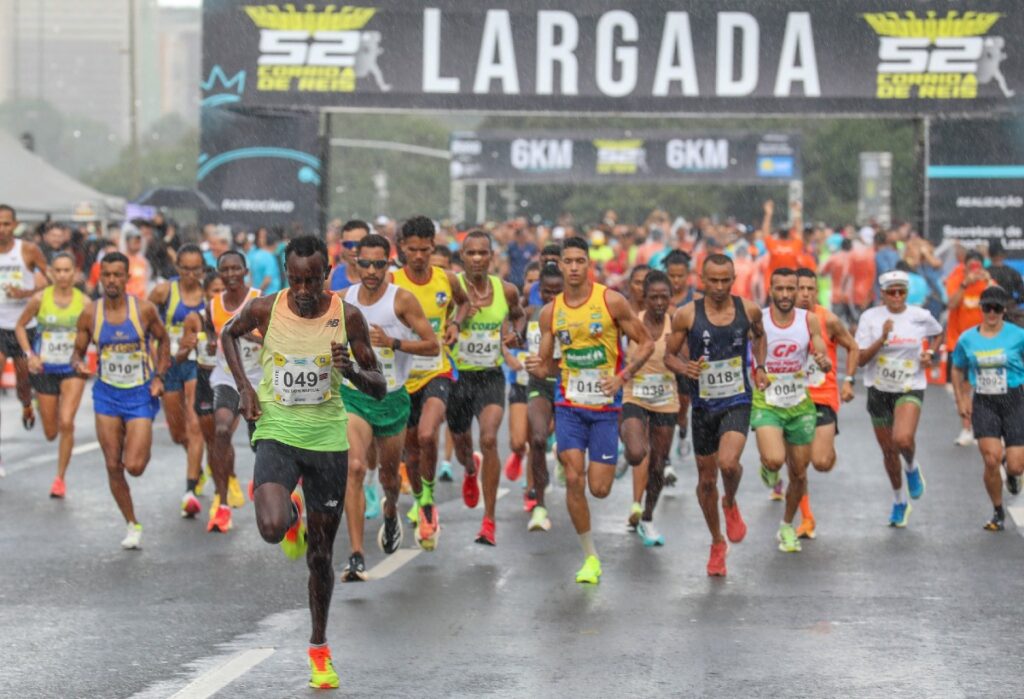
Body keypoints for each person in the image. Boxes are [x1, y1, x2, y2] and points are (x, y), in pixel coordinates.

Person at [223, 235, 386, 690]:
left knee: (319, 557)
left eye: (311, 280)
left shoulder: (348, 317)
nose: (303, 289)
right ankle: (289, 512)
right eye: (295, 279)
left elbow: (378, 384)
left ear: (326, 274)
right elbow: (227, 335)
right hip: (277, 431)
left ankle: (319, 647)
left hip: (328, 442)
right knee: (272, 527)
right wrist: (245, 388)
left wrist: (351, 369)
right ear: (286, 275)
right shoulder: (266, 308)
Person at [528, 236, 653, 584]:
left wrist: (622, 377)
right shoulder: (550, 313)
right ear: (560, 266)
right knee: (572, 477)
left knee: (599, 489)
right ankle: (590, 558)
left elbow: (646, 342)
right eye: (567, 261)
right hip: (568, 404)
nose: (573, 267)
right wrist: (534, 367)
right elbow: (548, 367)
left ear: (588, 264)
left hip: (604, 407)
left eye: (579, 261)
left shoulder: (611, 301)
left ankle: (612, 458)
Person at [339, 233, 439, 580]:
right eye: (364, 263)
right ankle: (355, 554)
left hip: (392, 398)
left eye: (378, 264)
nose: (370, 270)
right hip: (354, 395)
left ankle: (392, 510)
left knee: (388, 476)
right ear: (355, 262)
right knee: (353, 467)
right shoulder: (343, 299)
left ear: (388, 263)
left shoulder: (403, 301)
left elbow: (433, 346)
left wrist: (394, 342)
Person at [667, 254, 766, 575]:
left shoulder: (748, 310)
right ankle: (716, 541)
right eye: (714, 281)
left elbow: (760, 336)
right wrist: (685, 367)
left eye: (726, 280)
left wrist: (760, 366)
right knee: (707, 480)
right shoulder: (686, 315)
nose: (720, 287)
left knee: (728, 463)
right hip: (703, 407)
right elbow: (669, 355)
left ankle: (731, 501)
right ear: (702, 280)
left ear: (733, 278)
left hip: (737, 400)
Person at [69, 252, 170, 548]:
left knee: (134, 466)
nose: (111, 280)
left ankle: (137, 443)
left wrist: (160, 376)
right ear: (100, 278)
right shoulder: (90, 313)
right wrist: (77, 364)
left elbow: (163, 340)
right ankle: (132, 523)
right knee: (113, 464)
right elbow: (77, 350)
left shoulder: (144, 310)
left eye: (117, 275)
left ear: (127, 278)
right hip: (107, 394)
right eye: (107, 275)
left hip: (139, 393)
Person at [392, 216, 471, 542]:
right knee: (410, 449)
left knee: (427, 434)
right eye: (413, 249)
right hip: (401, 376)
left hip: (437, 369)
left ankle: (427, 497)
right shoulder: (391, 282)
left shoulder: (447, 279)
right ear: (402, 249)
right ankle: (420, 496)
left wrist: (455, 324)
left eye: (426, 249)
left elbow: (464, 304)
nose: (420, 256)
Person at [447, 230, 524, 545]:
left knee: (489, 438)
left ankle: (489, 520)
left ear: (491, 257)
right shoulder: (451, 289)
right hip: (456, 378)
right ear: (462, 256)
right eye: (471, 253)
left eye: (483, 253)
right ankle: (468, 468)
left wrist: (514, 335)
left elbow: (519, 318)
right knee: (463, 444)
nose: (477, 259)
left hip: (490, 376)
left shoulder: (505, 291)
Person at [751, 268, 831, 554]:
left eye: (790, 289)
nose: (785, 295)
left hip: (799, 403)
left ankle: (786, 525)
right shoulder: (758, 319)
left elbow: (820, 347)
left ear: (798, 291)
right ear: (770, 289)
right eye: (780, 289)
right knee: (774, 459)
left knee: (798, 473)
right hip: (767, 401)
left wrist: (822, 360)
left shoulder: (808, 319)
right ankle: (768, 466)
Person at [856, 270, 943, 527]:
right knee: (888, 451)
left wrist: (930, 354)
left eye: (901, 292)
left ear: (906, 293)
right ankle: (899, 501)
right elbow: (860, 359)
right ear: (882, 294)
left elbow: (938, 333)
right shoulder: (870, 318)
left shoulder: (919, 316)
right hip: (879, 389)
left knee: (903, 438)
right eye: (891, 292)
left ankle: (913, 467)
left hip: (909, 385)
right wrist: (881, 339)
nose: (896, 297)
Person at [793, 268, 860, 539]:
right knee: (798, 465)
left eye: (811, 289)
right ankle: (806, 518)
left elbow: (853, 347)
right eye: (801, 289)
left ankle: (826, 450)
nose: (806, 294)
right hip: (791, 398)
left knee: (820, 462)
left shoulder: (828, 319)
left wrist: (849, 380)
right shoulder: (779, 320)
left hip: (822, 396)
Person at [14, 252, 88, 497]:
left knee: (66, 422)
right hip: (45, 368)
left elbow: (95, 332)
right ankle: (39, 401)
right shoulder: (39, 299)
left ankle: (60, 478)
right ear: (51, 273)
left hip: (71, 369)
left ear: (75, 274)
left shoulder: (85, 302)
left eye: (68, 270)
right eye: (58, 270)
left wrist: (88, 356)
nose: (63, 275)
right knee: (50, 433)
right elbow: (20, 326)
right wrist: (29, 354)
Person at [951, 286, 1024, 531]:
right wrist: (962, 400)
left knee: (1015, 465)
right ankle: (997, 511)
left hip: (1014, 399)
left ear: (1004, 310)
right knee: (990, 459)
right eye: (986, 308)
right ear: (980, 309)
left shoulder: (1018, 335)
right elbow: (958, 368)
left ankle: (1012, 472)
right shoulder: (967, 338)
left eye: (996, 308)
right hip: (984, 401)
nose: (991, 313)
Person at [620, 270, 680, 547]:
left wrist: (688, 368)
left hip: (666, 398)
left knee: (657, 464)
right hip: (635, 395)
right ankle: (627, 451)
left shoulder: (677, 322)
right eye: (653, 297)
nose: (658, 302)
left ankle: (647, 517)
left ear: (671, 298)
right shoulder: (633, 322)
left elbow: (685, 356)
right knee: (636, 453)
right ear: (644, 297)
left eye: (663, 297)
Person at [148, 244, 207, 517]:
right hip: (170, 364)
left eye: (196, 269)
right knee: (178, 433)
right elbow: (144, 319)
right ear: (178, 268)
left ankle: (190, 489)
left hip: (197, 363)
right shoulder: (164, 291)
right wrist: (151, 354)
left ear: (202, 269)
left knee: (195, 427)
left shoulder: (209, 294)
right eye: (186, 269)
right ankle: (197, 466)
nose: (191, 274)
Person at [206, 251, 261, 533]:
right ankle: (223, 503)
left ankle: (264, 479)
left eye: (235, 269)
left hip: (260, 381)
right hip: (227, 378)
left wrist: (249, 334)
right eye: (224, 270)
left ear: (245, 270)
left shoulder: (260, 299)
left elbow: (276, 337)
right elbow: (209, 337)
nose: (230, 275)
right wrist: (203, 345)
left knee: (261, 444)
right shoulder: (213, 305)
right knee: (221, 430)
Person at [0, 204, 49, 450]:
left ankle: (27, 404)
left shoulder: (28, 250)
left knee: (22, 384)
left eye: (6, 223)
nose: (2, 229)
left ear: (15, 224)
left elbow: (51, 280)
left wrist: (27, 292)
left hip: (23, 326)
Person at [177, 270, 225, 513]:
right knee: (196, 432)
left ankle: (222, 491)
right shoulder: (195, 319)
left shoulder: (237, 316)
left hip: (231, 383)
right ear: (205, 294)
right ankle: (190, 491)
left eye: (223, 290)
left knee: (219, 438)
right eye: (214, 291)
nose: (219, 295)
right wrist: (186, 347)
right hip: (204, 380)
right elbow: (180, 356)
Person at [522, 262, 564, 532]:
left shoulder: (576, 315)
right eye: (547, 292)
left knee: (569, 450)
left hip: (568, 386)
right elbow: (511, 333)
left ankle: (564, 460)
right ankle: (540, 505)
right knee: (537, 439)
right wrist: (513, 343)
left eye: (557, 292)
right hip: (538, 384)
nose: (551, 298)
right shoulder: (531, 314)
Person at [946, 249, 992, 446]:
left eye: (977, 266)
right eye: (970, 265)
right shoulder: (956, 278)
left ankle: (982, 425)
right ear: (964, 265)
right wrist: (966, 283)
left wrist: (988, 280)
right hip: (959, 342)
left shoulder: (987, 281)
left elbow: (999, 304)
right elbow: (951, 303)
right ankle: (966, 427)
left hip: (985, 343)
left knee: (982, 387)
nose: (974, 270)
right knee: (962, 387)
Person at [664, 248, 696, 473]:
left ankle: (683, 428)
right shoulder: (659, 298)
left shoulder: (696, 299)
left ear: (688, 275)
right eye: (671, 276)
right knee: (666, 409)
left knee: (681, 409)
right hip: (663, 363)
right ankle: (664, 459)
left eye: (680, 276)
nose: (676, 280)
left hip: (686, 363)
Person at [327, 220, 369, 292]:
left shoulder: (381, 278)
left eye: (359, 244)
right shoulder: (331, 277)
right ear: (341, 244)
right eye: (348, 244)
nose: (354, 249)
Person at [248, 227, 284, 295]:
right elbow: (268, 279)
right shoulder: (269, 256)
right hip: (269, 295)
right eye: (261, 237)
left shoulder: (253, 254)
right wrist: (258, 292)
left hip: (260, 296)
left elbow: (249, 277)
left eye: (264, 237)